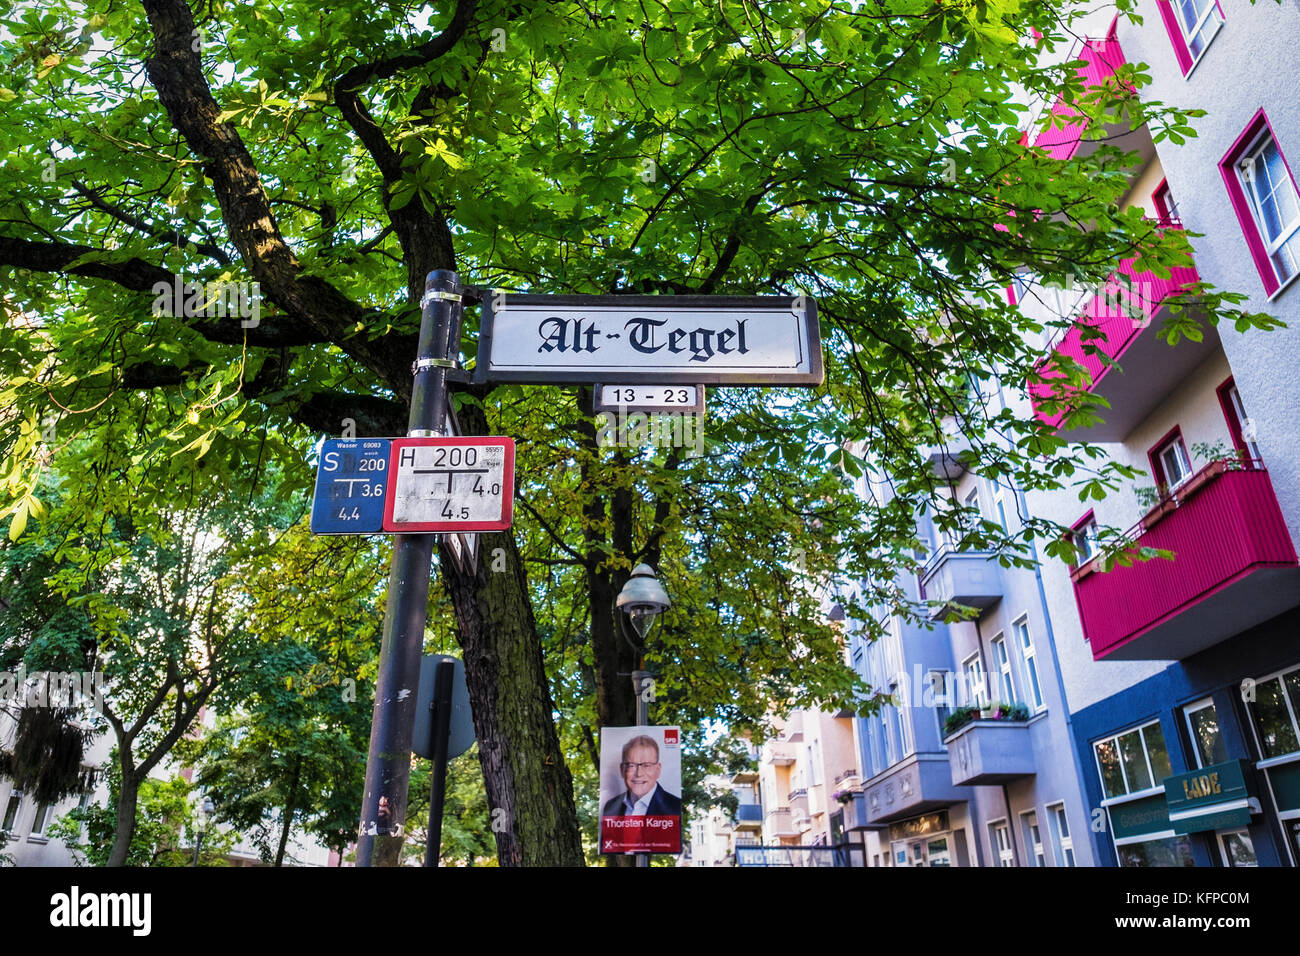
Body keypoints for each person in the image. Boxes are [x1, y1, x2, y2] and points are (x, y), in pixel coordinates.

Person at [602, 734, 681, 817]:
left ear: (658, 770)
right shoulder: (610, 807)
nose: (638, 773)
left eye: (646, 765)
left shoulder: (675, 807)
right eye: (631, 765)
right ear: (622, 770)